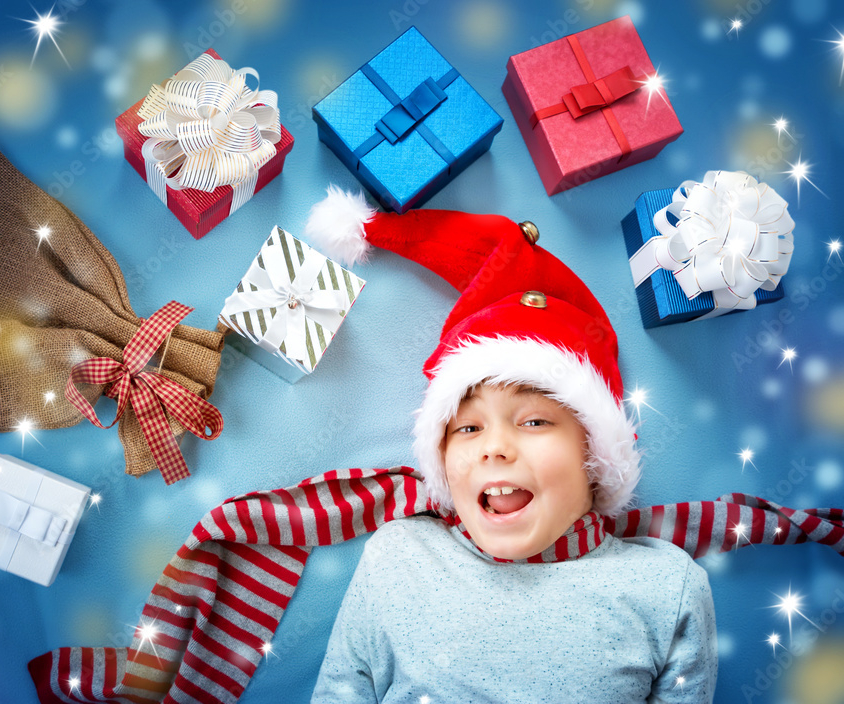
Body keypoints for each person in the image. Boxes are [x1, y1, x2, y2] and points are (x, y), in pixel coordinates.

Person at [304, 187, 717, 702]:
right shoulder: (398, 558)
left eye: (535, 422)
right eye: (468, 428)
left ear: (596, 456)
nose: (493, 448)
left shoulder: (666, 590)